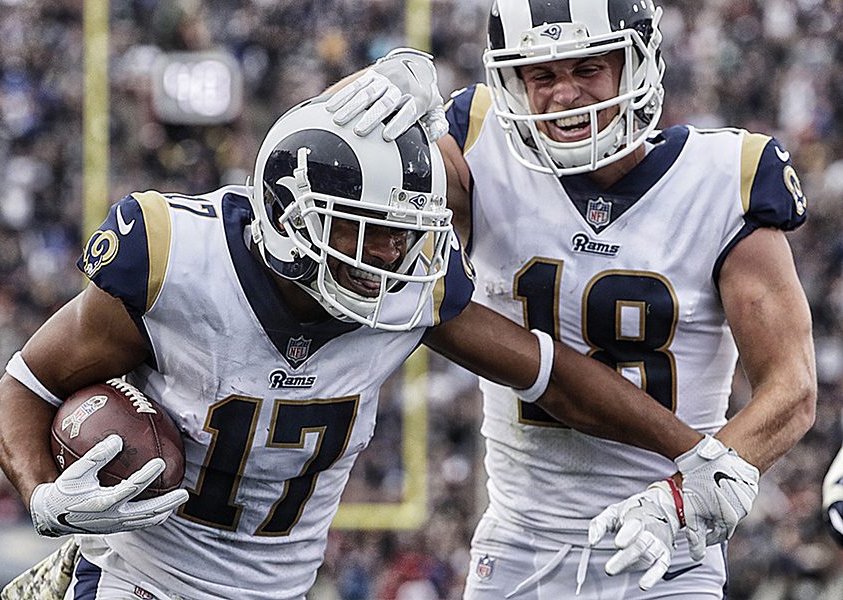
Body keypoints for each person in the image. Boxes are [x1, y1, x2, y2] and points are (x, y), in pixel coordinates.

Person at [0, 96, 726, 600]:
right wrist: (44, 497)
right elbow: (25, 384)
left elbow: (550, 375)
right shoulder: (174, 260)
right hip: (140, 580)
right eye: (362, 228)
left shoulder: (407, 293)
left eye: (402, 230)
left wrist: (694, 451)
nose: (391, 252)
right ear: (291, 216)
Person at [326, 0, 817, 597]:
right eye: (542, 74)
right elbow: (356, 203)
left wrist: (692, 493)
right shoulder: (476, 146)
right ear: (511, 81)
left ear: (635, 63)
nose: (564, 94)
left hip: (666, 547)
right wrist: (371, 101)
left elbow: (792, 388)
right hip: (516, 549)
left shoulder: (727, 177)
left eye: (587, 69)